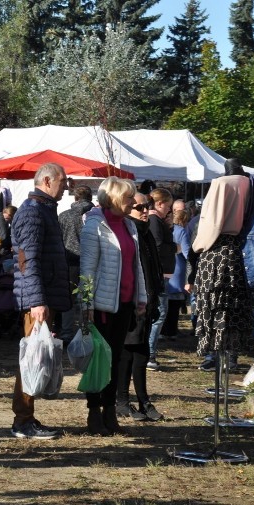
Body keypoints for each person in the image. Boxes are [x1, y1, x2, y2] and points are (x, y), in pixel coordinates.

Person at [80, 177, 148, 435]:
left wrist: (141, 297)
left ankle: (109, 410)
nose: (134, 201)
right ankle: (94, 411)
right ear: (116, 198)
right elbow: (87, 270)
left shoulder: (129, 226)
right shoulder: (95, 226)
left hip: (125, 303)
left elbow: (135, 265)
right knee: (99, 360)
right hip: (101, 306)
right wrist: (86, 304)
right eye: (129, 197)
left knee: (116, 360)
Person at [9, 162, 71, 440]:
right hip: (37, 299)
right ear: (47, 180)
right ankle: (23, 420)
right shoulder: (33, 213)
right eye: (62, 181)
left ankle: (26, 418)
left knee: (37, 360)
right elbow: (27, 260)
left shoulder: (43, 210)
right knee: (31, 360)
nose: (66, 186)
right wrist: (37, 301)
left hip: (42, 296)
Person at [190, 161, 254, 367]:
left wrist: (198, 246)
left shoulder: (221, 183)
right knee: (233, 305)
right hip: (239, 250)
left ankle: (216, 355)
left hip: (216, 252)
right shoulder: (252, 184)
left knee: (216, 305)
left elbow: (212, 221)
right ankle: (230, 356)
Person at [116, 191, 164, 422]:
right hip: (132, 303)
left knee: (141, 353)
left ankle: (142, 400)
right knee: (129, 353)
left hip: (148, 300)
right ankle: (124, 401)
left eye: (148, 206)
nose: (145, 211)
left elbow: (152, 268)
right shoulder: (129, 231)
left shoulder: (144, 232)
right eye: (139, 207)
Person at [57, 185, 94, 344]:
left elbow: (58, 239)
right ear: (90, 198)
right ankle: (87, 330)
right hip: (91, 260)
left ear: (75, 198)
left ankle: (66, 333)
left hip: (69, 260)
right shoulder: (96, 215)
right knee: (88, 298)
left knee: (69, 299)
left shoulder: (64, 215)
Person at [146, 187, 175, 371]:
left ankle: (150, 351)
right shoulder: (154, 220)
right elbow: (157, 246)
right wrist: (174, 247)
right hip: (159, 273)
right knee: (159, 312)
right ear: (160, 203)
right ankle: (150, 352)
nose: (170, 210)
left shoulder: (157, 220)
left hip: (162, 272)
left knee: (158, 312)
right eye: (168, 206)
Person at [163, 209, 192, 339]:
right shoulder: (180, 231)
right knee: (174, 305)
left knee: (164, 303)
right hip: (176, 270)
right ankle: (171, 330)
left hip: (164, 270)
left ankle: (164, 331)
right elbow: (187, 254)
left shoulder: (158, 228)